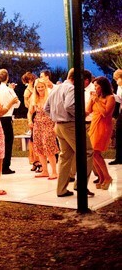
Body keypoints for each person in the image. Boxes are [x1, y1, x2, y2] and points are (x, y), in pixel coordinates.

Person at [44, 68, 94, 198]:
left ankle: (61, 190)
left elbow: (46, 108)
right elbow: (69, 106)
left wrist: (56, 118)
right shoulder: (71, 88)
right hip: (71, 125)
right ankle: (80, 185)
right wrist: (81, 115)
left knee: (65, 157)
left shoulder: (56, 87)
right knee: (87, 152)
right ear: (79, 79)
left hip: (58, 126)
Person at [86, 76, 115, 189]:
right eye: (94, 86)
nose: (95, 88)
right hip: (94, 125)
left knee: (96, 152)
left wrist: (97, 101)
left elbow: (105, 114)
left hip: (104, 127)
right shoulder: (95, 97)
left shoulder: (110, 98)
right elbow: (88, 111)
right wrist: (91, 100)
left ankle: (107, 177)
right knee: (92, 153)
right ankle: (102, 177)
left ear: (103, 86)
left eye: (97, 85)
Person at [28, 78, 59, 179]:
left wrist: (55, 125)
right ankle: (45, 171)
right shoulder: (34, 99)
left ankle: (54, 171)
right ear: (36, 88)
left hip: (49, 124)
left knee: (49, 147)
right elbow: (30, 112)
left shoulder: (50, 97)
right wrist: (29, 121)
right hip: (38, 124)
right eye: (38, 87)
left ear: (45, 87)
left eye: (42, 87)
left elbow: (55, 112)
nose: (40, 89)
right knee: (40, 148)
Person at [0, 69, 20, 175]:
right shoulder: (8, 90)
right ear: (7, 78)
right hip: (6, 118)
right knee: (8, 142)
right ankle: (5, 167)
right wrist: (12, 90)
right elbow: (17, 104)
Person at [21, 71, 40, 171]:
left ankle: (36, 161)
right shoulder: (28, 91)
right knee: (34, 139)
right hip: (33, 114)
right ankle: (35, 161)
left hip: (35, 113)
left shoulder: (33, 89)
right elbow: (26, 104)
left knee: (34, 139)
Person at [109, 69, 122, 165]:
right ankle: (118, 157)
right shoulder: (119, 87)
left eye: (117, 78)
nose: (116, 81)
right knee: (119, 133)